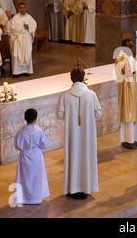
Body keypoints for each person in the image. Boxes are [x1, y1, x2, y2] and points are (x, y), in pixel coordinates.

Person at [58, 67, 102, 200]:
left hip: (72, 135)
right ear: (83, 78)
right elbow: (99, 113)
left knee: (73, 157)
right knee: (86, 157)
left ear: (71, 79)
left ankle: (72, 188)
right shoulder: (91, 95)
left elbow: (60, 114)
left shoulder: (65, 95)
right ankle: (86, 187)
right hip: (87, 135)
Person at [115, 39, 137, 150]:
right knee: (129, 115)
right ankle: (127, 140)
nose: (133, 48)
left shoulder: (132, 56)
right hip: (128, 90)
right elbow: (121, 71)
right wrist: (127, 69)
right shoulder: (120, 57)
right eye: (130, 47)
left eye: (133, 46)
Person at [14, 108, 50, 205]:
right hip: (36, 156)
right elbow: (45, 144)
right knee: (36, 177)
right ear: (35, 118)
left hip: (24, 157)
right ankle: (36, 197)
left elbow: (17, 145)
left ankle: (25, 198)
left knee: (24, 178)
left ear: (25, 118)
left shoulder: (20, 132)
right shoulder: (39, 131)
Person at [10, 3, 37, 77]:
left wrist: (28, 27)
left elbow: (34, 25)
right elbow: (12, 29)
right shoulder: (15, 17)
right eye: (21, 8)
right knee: (17, 55)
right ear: (18, 9)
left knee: (27, 54)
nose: (23, 9)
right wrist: (22, 28)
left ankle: (26, 70)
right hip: (18, 39)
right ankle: (16, 72)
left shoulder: (29, 17)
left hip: (26, 38)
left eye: (24, 8)